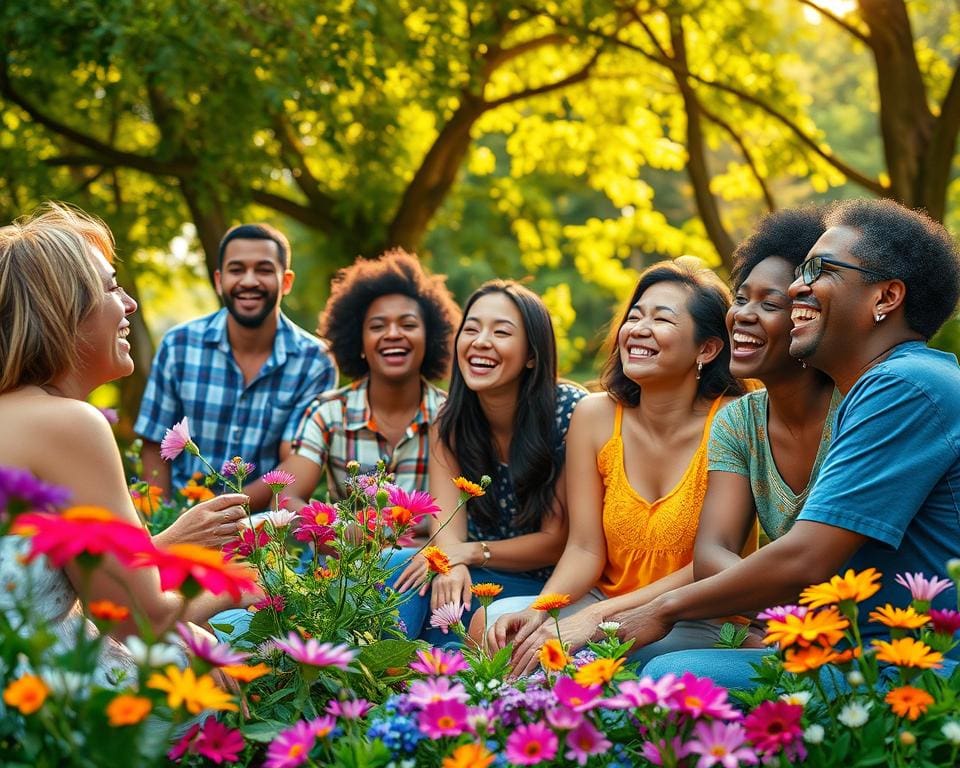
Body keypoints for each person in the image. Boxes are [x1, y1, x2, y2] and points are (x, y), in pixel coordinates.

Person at [621, 199, 960, 685]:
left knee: (674, 676)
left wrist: (662, 609)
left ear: (885, 298)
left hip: (920, 669)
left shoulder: (905, 385)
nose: (798, 286)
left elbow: (806, 556)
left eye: (819, 269)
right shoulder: (871, 389)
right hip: (854, 652)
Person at [0, 204, 258, 685]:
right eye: (112, 287)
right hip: (47, 707)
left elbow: (69, 586)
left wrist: (164, 546)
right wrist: (243, 582)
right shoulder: (68, 425)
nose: (130, 304)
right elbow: (141, 621)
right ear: (64, 312)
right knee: (269, 642)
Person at [487, 258, 749, 673]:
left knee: (622, 659)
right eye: (635, 316)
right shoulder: (594, 416)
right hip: (604, 600)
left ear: (708, 348)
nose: (638, 329)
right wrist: (543, 609)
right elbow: (585, 548)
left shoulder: (734, 421)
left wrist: (593, 622)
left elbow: (709, 565)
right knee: (496, 625)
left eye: (662, 319)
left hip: (694, 614)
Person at [391, 281, 586, 643]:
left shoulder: (570, 414)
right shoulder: (449, 422)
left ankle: (443, 679)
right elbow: (445, 523)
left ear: (532, 354)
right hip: (468, 572)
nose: (481, 341)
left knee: (443, 601)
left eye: (501, 332)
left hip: (544, 586)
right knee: (399, 568)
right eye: (471, 329)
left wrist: (467, 554)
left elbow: (556, 540)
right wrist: (452, 561)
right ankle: (382, 681)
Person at [245, 249, 460, 512]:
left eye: (408, 324)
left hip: (429, 552)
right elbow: (286, 501)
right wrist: (339, 532)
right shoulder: (328, 414)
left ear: (430, 338)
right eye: (378, 326)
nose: (393, 334)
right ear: (359, 343)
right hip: (346, 551)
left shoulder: (451, 416)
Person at [135, 223, 337, 497]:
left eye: (264, 270)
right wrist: (161, 523)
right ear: (219, 281)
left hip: (264, 528)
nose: (249, 281)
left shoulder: (316, 362)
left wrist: (224, 515)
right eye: (237, 269)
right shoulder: (179, 345)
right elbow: (154, 443)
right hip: (181, 516)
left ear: (286, 281)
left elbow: (297, 461)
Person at [696, 207, 839, 585]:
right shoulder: (738, 422)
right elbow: (711, 554)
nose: (743, 314)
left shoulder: (856, 405)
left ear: (809, 317)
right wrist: (778, 612)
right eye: (741, 299)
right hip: (789, 623)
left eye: (770, 304)